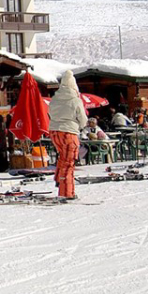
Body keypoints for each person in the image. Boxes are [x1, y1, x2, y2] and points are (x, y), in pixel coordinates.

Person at [48, 71, 88, 199]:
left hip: (54, 131)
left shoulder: (54, 99)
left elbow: (50, 114)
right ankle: (66, 192)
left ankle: (58, 179)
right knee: (69, 162)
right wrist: (81, 126)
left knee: (62, 158)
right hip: (69, 132)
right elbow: (83, 119)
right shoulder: (75, 100)